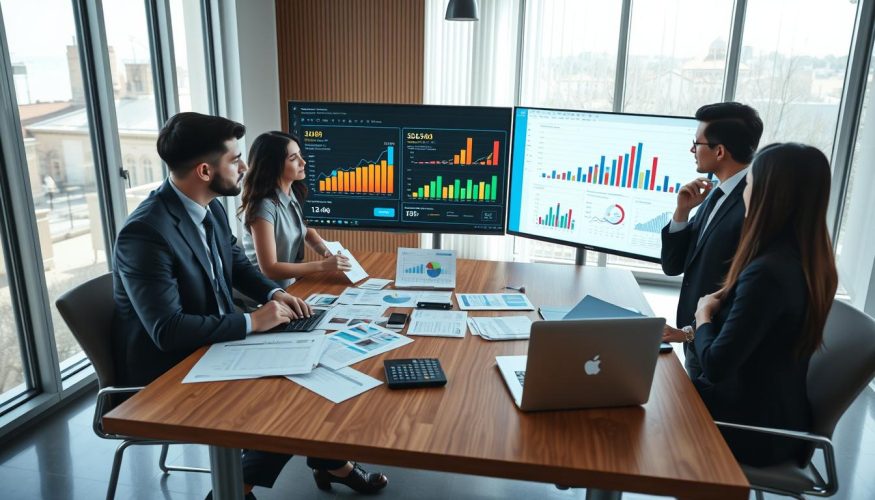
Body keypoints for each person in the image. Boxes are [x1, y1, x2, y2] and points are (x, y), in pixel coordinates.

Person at [112, 112, 387, 499]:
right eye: (235, 159)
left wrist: (274, 294)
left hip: (214, 342)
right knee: (287, 402)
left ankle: (327, 461)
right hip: (167, 371)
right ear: (206, 171)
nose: (244, 167)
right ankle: (233, 490)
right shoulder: (145, 233)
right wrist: (251, 323)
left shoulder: (208, 209)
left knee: (319, 357)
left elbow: (238, 266)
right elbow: (167, 331)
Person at [679, 143, 838, 466]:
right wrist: (690, 334)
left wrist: (703, 316)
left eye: (749, 185)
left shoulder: (767, 273)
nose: (744, 193)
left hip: (749, 430)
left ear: (767, 194)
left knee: (643, 408)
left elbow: (718, 366)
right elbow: (758, 341)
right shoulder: (809, 261)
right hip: (776, 416)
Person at [660, 102, 763, 378]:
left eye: (697, 143)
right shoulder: (714, 195)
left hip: (715, 349)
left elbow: (740, 291)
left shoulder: (750, 205)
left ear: (719, 151)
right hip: (694, 340)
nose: (692, 150)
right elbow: (673, 265)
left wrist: (691, 334)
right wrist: (682, 212)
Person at [239, 131, 350, 288]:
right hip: (266, 292)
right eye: (293, 158)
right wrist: (323, 266)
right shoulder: (263, 207)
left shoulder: (289, 193)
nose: (303, 162)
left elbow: (305, 230)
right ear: (272, 166)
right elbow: (270, 269)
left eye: (300, 155)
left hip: (290, 285)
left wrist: (325, 250)